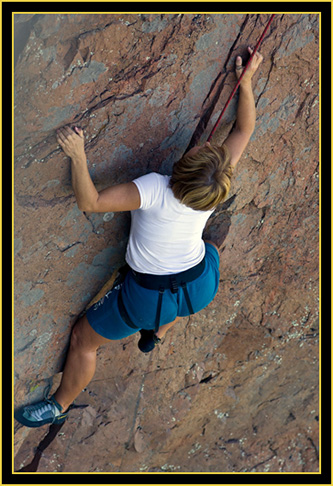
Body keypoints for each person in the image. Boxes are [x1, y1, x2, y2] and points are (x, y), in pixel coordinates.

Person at [15, 47, 263, 428]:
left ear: (184, 167)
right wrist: (245, 84)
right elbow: (244, 129)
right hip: (200, 288)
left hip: (145, 299)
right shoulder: (215, 187)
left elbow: (91, 201)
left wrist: (78, 155)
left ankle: (58, 405)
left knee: (84, 339)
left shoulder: (155, 188)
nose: (202, 145)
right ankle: (158, 335)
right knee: (210, 248)